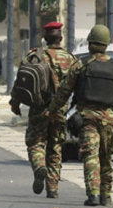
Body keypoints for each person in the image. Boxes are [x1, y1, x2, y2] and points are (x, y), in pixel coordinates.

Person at [48, 24, 113, 207]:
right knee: (106, 155)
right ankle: (106, 194)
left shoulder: (80, 65)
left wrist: (54, 109)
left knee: (90, 155)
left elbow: (64, 91)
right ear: (106, 45)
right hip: (110, 119)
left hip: (87, 118)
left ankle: (93, 194)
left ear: (90, 43)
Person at [11, 20, 75, 198]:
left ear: (45, 38)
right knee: (55, 148)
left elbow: (21, 80)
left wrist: (14, 103)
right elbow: (79, 84)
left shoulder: (34, 56)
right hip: (60, 111)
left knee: (35, 143)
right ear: (60, 37)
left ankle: (40, 166)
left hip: (38, 109)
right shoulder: (70, 59)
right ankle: (53, 188)